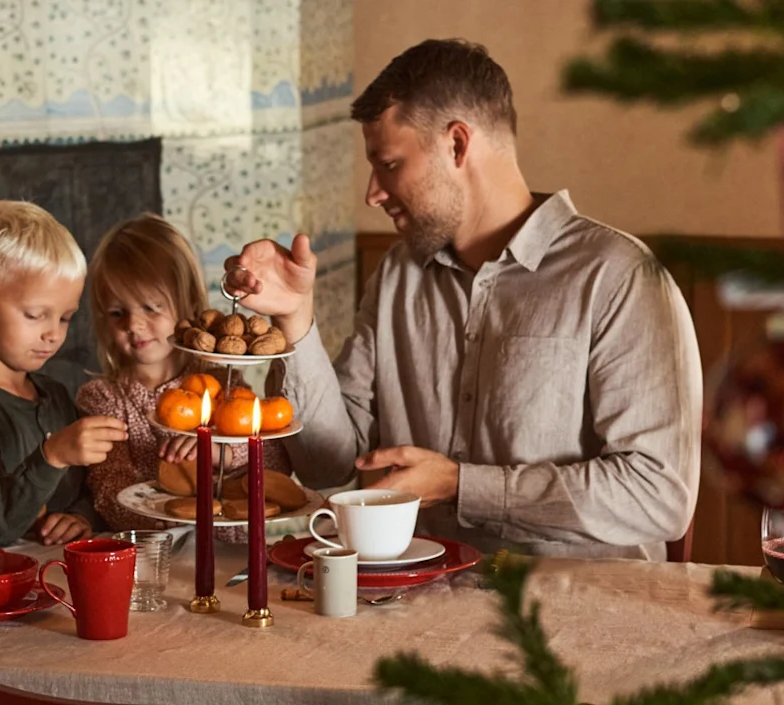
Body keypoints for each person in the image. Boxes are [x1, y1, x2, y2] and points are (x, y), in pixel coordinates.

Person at [227, 39, 703, 561]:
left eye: (388, 164)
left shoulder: (619, 276)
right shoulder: (396, 275)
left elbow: (658, 497)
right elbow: (330, 467)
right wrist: (295, 321)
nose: (373, 193)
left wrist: (462, 484)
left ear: (457, 145)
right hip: (413, 603)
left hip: (578, 620)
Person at [0, 201, 127, 546]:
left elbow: (85, 491)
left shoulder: (56, 395)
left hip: (57, 580)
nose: (53, 333)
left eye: (65, 318)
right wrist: (53, 455)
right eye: (35, 315)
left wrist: (80, 517)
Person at [75, 214, 291, 532]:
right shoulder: (104, 399)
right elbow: (110, 491)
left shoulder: (223, 385)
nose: (133, 325)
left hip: (231, 553)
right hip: (153, 552)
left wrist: (224, 454)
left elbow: (277, 465)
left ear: (187, 304)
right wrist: (177, 519)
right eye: (117, 313)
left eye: (150, 307)